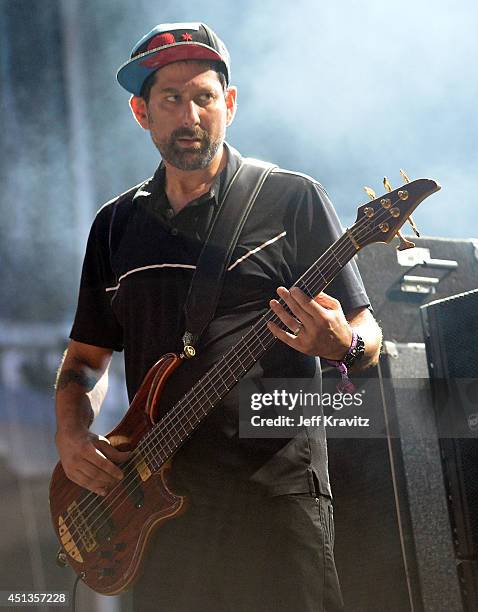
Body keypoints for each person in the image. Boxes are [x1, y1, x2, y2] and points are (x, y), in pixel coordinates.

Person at [54, 22, 382, 612]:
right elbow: (83, 361)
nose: (190, 115)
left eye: (204, 97)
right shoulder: (115, 225)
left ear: (228, 104)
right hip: (157, 512)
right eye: (170, 99)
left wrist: (342, 345)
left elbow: (368, 332)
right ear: (141, 112)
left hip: (275, 498)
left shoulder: (291, 198)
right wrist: (74, 435)